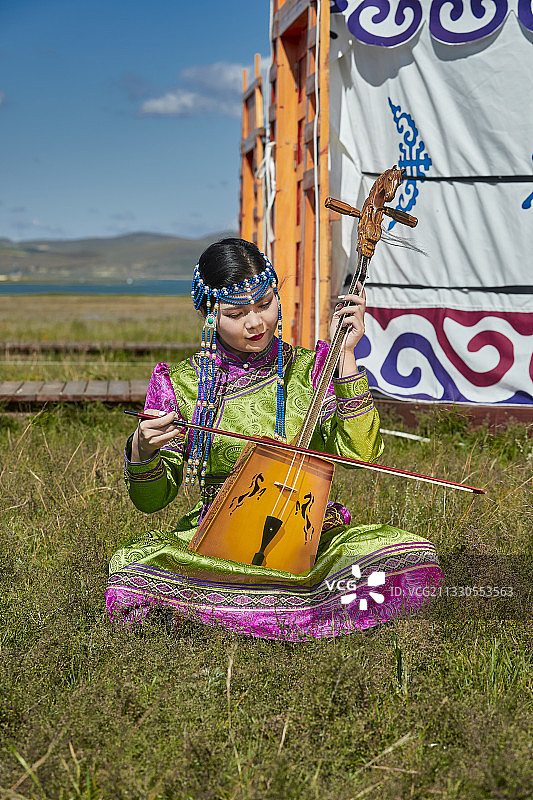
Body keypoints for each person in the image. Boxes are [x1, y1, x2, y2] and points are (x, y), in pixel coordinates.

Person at [106, 238, 441, 639]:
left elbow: (362, 453)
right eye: (236, 313)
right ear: (208, 316)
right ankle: (303, 607)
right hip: (217, 540)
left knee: (415, 560)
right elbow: (152, 501)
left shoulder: (311, 368)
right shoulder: (181, 385)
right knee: (129, 580)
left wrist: (347, 356)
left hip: (309, 535)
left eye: (265, 304)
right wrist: (141, 450)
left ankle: (237, 612)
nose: (255, 323)